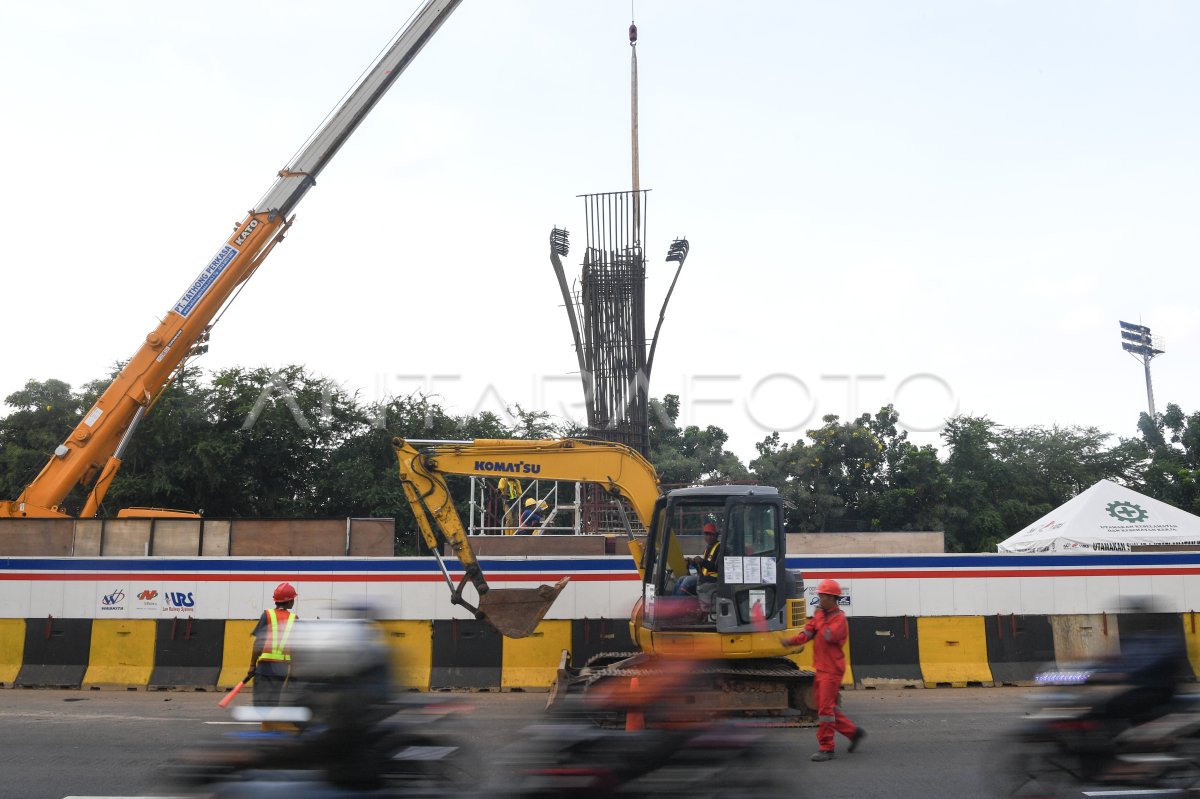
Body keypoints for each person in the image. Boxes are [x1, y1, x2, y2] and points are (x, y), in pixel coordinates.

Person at [782, 578, 864, 761]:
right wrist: (790, 642)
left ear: (831, 598)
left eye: (822, 595)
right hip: (821, 667)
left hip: (832, 670)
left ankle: (826, 748)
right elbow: (807, 633)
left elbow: (829, 635)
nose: (819, 598)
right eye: (819, 595)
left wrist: (818, 617)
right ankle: (853, 733)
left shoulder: (839, 619)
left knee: (825, 711)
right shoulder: (822, 616)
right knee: (825, 706)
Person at [248, 582, 298, 713]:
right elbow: (295, 647)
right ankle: (271, 725)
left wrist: (252, 665)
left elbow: (259, 643)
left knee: (261, 701)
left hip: (265, 667)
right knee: (274, 700)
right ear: (289, 601)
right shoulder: (294, 619)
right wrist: (293, 669)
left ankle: (266, 724)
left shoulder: (267, 615)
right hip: (282, 668)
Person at [675, 522, 720, 597]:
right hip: (704, 578)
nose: (708, 537)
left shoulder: (719, 548)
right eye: (706, 534)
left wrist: (702, 561)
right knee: (681, 579)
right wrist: (692, 562)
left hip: (713, 580)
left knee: (686, 582)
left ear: (716, 535)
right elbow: (703, 569)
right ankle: (673, 601)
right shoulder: (708, 548)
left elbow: (717, 567)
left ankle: (677, 605)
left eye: (711, 534)